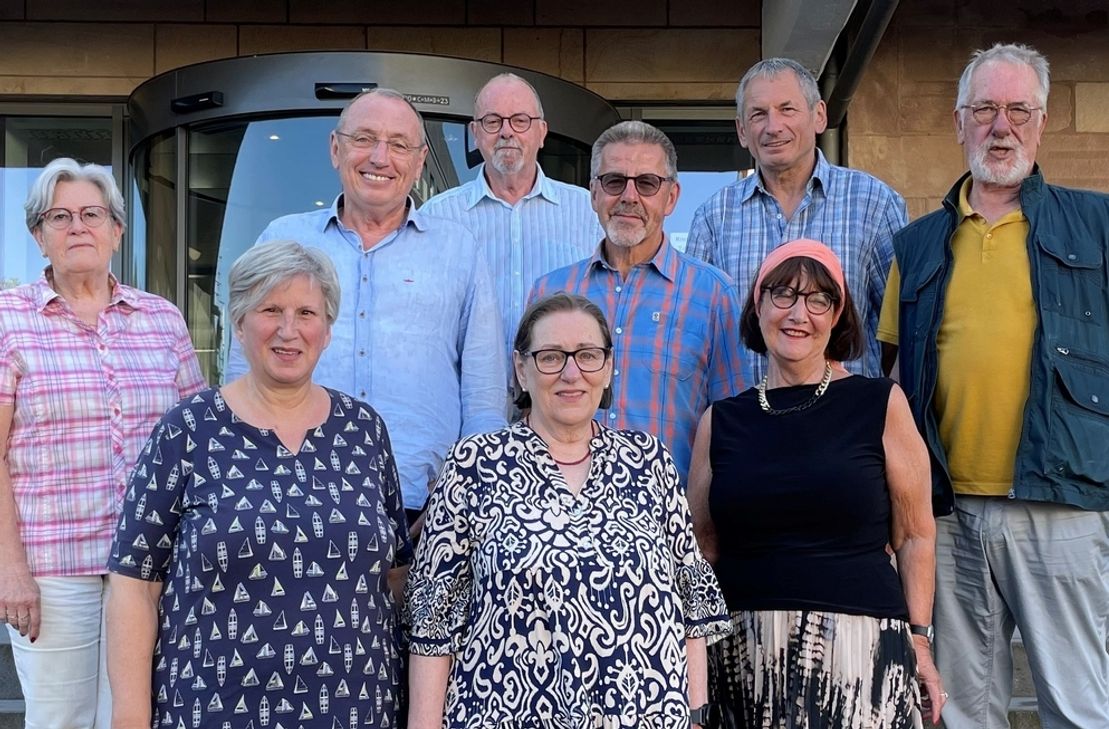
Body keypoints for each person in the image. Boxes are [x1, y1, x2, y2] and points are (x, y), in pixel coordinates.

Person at [878, 42, 1109, 729]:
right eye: (984, 109)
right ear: (959, 122)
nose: (999, 127)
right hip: (946, 516)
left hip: (1063, 503)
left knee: (1080, 707)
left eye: (1017, 110)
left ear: (1041, 124)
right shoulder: (916, 244)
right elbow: (895, 381)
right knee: (961, 710)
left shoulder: (1098, 225)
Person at [106, 240, 413, 728]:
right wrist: (129, 717)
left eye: (306, 313)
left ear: (327, 329)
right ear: (239, 322)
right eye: (271, 310)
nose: (289, 330)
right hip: (214, 708)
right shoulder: (188, 430)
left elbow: (396, 576)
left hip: (357, 707)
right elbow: (134, 586)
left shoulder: (364, 430)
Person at [405, 292, 730, 728]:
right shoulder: (473, 464)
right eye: (551, 357)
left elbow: (689, 605)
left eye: (588, 355)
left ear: (608, 367)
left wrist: (696, 716)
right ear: (521, 369)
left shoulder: (649, 461)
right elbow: (433, 623)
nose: (571, 373)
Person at [688, 239, 944, 728]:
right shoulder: (720, 421)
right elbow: (702, 551)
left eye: (817, 299)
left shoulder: (880, 403)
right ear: (758, 305)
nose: (797, 313)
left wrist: (920, 640)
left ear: (837, 315)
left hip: (861, 655)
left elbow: (915, 536)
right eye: (782, 294)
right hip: (743, 658)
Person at [225, 88, 506, 524]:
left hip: (425, 511)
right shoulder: (283, 239)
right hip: (291, 498)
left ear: (420, 161)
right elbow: (241, 370)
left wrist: (465, 500)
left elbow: (483, 395)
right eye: (364, 139)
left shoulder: (458, 249)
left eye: (399, 145)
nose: (380, 157)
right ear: (335, 149)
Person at [0, 158, 205, 728]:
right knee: (61, 719)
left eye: (92, 214)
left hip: (148, 566)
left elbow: (198, 442)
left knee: (135, 714)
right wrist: (9, 567)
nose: (77, 227)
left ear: (116, 230)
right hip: (53, 568)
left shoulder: (162, 319)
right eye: (59, 216)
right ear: (38, 236)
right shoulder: (8, 320)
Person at [529, 121, 744, 484]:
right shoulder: (550, 293)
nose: (629, 196)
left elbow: (733, 426)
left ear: (671, 197)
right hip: (559, 510)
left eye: (646, 183)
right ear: (594, 194)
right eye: (614, 181)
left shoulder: (713, 295)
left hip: (669, 512)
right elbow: (527, 411)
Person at [685, 57, 907, 384]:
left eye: (787, 109)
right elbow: (696, 336)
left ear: (819, 116)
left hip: (847, 412)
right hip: (746, 412)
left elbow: (900, 329)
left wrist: (885, 403)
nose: (773, 126)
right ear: (742, 131)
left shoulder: (873, 203)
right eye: (758, 114)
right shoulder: (713, 217)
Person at [420, 72, 601, 367]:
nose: (506, 132)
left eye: (520, 120)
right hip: (467, 389)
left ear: (542, 132)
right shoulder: (437, 216)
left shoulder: (587, 211)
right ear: (475, 133)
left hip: (560, 388)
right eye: (493, 121)